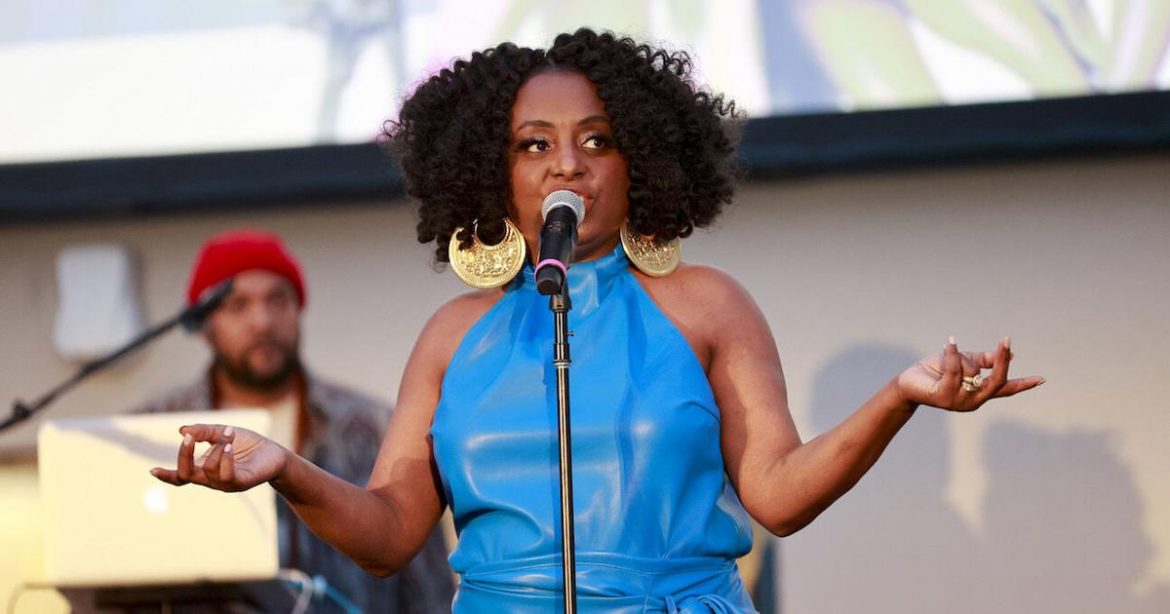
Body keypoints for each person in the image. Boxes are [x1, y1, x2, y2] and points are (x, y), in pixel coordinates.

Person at [151, 30, 1044, 612]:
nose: (566, 164)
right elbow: (388, 533)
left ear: (640, 160)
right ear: (494, 172)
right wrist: (287, 469)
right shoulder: (453, 335)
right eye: (533, 144)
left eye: (597, 139)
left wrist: (897, 398)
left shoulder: (707, 305)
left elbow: (777, 493)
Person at [142, 229, 453, 613]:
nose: (262, 321)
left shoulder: (370, 425)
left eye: (278, 300)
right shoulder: (152, 430)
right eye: (237, 305)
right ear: (204, 325)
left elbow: (427, 587)